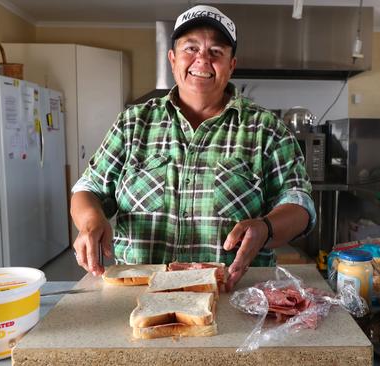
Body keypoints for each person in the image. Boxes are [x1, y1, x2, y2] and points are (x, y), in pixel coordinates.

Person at [70, 5, 316, 291]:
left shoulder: (266, 129)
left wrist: (267, 228)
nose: (202, 59)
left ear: (231, 65)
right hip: (137, 294)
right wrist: (91, 222)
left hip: (234, 295)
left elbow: (300, 203)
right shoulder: (132, 124)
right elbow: (88, 190)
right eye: (191, 48)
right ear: (173, 60)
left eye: (216, 52)